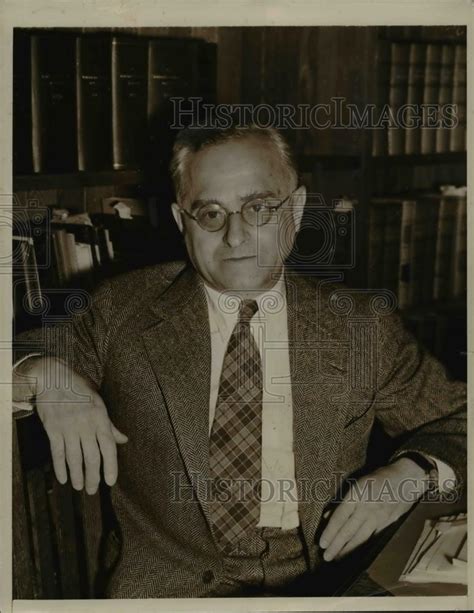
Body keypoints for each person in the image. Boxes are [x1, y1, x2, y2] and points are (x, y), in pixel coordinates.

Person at [13, 124, 467, 598]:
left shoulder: (357, 327)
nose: (234, 235)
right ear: (179, 220)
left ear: (294, 209)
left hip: (327, 587)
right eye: (210, 212)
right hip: (166, 595)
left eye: (259, 207)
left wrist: (409, 472)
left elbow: (461, 418)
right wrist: (44, 375)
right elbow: (19, 354)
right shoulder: (122, 310)